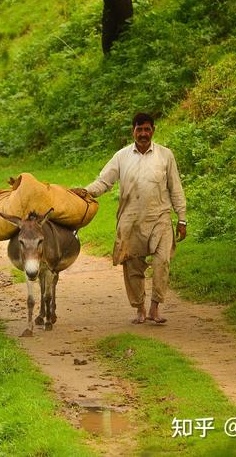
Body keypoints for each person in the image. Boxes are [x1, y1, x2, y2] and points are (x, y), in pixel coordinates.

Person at [72, 113, 186, 324]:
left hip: (160, 217)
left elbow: (175, 188)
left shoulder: (165, 155)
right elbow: (104, 182)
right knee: (132, 265)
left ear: (153, 130)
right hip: (130, 218)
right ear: (133, 130)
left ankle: (155, 308)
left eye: (147, 129)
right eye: (139, 130)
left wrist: (182, 218)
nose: (143, 134)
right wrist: (85, 191)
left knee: (162, 262)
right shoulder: (121, 156)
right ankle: (140, 310)